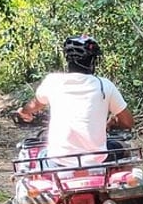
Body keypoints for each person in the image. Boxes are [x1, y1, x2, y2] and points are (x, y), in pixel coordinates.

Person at [16, 35, 134, 168]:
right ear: (93, 61)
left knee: (33, 153)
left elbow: (33, 106)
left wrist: (23, 112)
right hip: (97, 161)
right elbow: (128, 122)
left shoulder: (53, 82)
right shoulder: (104, 85)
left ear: (67, 59)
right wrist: (112, 123)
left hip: (58, 161)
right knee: (125, 148)